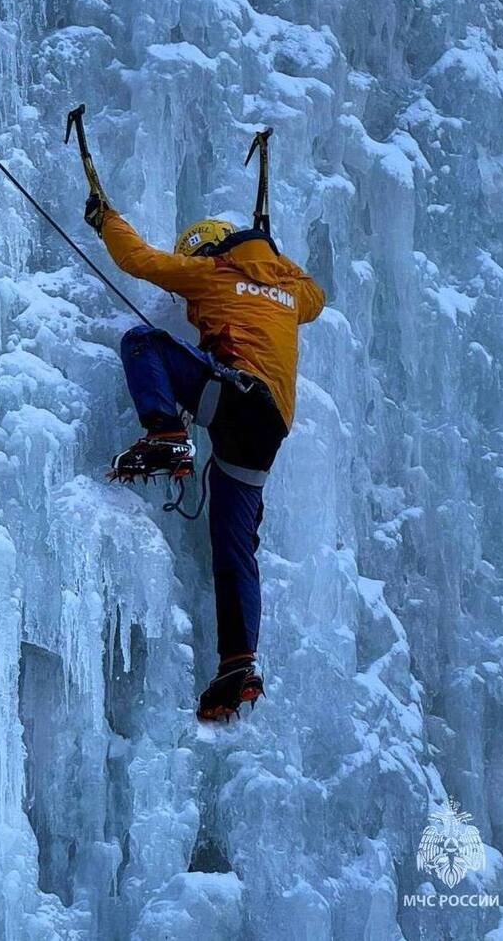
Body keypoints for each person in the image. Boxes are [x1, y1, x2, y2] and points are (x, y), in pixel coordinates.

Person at [84, 194, 325, 720]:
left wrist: (106, 219)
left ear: (208, 251)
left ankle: (166, 433)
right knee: (234, 546)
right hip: (269, 430)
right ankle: (238, 664)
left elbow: (138, 260)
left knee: (144, 342)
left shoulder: (212, 274)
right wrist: (271, 255)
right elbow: (317, 296)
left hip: (236, 397)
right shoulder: (290, 291)